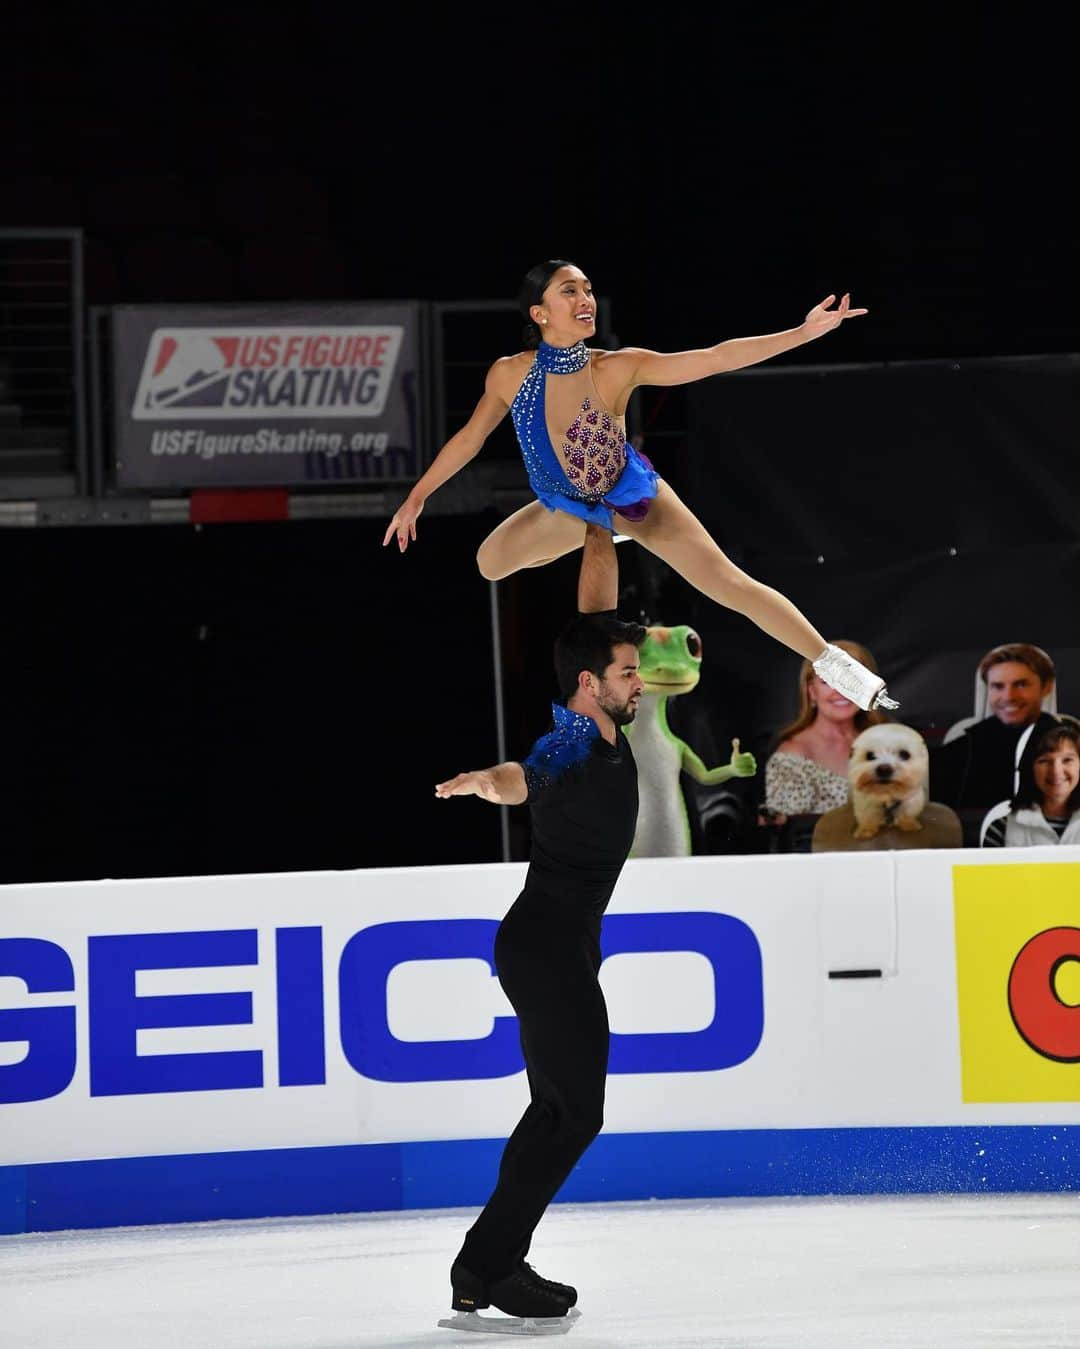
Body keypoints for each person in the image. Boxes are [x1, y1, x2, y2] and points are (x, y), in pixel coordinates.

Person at [384, 259, 896, 715]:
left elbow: (715, 357)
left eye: (587, 289)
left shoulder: (616, 366)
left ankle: (836, 665)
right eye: (569, 291)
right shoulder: (508, 375)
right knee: (489, 563)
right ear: (539, 313)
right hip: (568, 507)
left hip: (634, 501)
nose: (585, 300)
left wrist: (801, 334)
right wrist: (417, 496)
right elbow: (470, 438)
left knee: (727, 583)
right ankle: (601, 534)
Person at [433, 523, 644, 1329]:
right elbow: (524, 775)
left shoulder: (598, 715)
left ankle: (489, 1262)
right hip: (547, 949)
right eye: (628, 673)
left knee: (555, 1110)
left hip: (555, 947)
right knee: (574, 1113)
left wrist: (597, 519)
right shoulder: (567, 744)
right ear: (591, 684)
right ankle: (488, 1261)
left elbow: (599, 601)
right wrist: (487, 781)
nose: (640, 680)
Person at [760, 639, 890, 851]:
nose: (841, 691)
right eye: (828, 681)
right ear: (811, 691)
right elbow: (789, 839)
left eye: (851, 680)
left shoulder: (887, 743)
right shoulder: (792, 754)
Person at [931, 642, 1060, 844]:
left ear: (1046, 687)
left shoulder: (1072, 746)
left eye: (1021, 684)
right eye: (998, 686)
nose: (1008, 696)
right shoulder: (964, 749)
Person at [981, 722, 1080, 847]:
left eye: (1067, 760)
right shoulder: (1001, 828)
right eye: (1044, 761)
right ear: (1030, 769)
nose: (1056, 771)